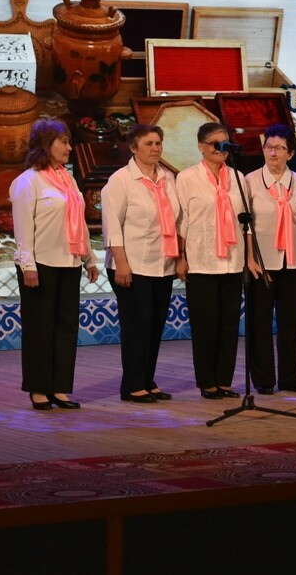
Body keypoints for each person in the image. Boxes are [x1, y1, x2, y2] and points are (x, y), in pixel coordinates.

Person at [10, 118, 99, 410]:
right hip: (41, 264)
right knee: (39, 327)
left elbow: (80, 222)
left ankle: (60, 388)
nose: (69, 148)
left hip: (69, 262)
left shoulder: (68, 179)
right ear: (46, 145)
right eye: (64, 142)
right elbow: (23, 228)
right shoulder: (28, 181)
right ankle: (39, 388)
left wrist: (89, 258)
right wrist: (28, 266)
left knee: (66, 327)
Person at [101, 124, 181, 404]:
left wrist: (179, 257)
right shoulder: (121, 180)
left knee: (155, 325)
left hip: (162, 264)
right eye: (148, 144)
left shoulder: (168, 178)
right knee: (137, 325)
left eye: (158, 143)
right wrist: (121, 263)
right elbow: (112, 225)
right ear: (133, 148)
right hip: (132, 265)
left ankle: (148, 379)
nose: (155, 148)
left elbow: (176, 219)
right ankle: (133, 385)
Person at [176, 122, 248, 400]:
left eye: (225, 144)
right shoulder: (187, 178)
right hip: (201, 260)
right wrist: (181, 257)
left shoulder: (238, 177)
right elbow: (182, 221)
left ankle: (224, 381)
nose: (221, 149)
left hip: (232, 260)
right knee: (206, 324)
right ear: (201, 147)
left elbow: (246, 222)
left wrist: (250, 258)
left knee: (229, 323)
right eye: (216, 144)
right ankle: (207, 382)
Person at [244, 124, 296, 394]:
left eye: (279, 148)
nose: (273, 153)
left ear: (291, 153)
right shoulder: (250, 181)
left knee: (291, 322)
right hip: (262, 263)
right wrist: (250, 258)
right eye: (269, 147)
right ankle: (263, 379)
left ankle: (291, 377)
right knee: (260, 321)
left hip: (293, 261)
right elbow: (246, 225)